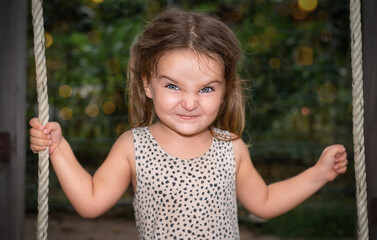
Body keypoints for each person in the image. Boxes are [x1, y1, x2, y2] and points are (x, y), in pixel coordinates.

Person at [29, 7, 348, 240]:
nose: (190, 101)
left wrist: (317, 174)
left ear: (225, 92)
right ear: (146, 86)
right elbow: (91, 202)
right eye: (172, 86)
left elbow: (263, 202)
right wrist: (59, 149)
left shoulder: (230, 147)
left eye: (206, 88)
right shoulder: (133, 146)